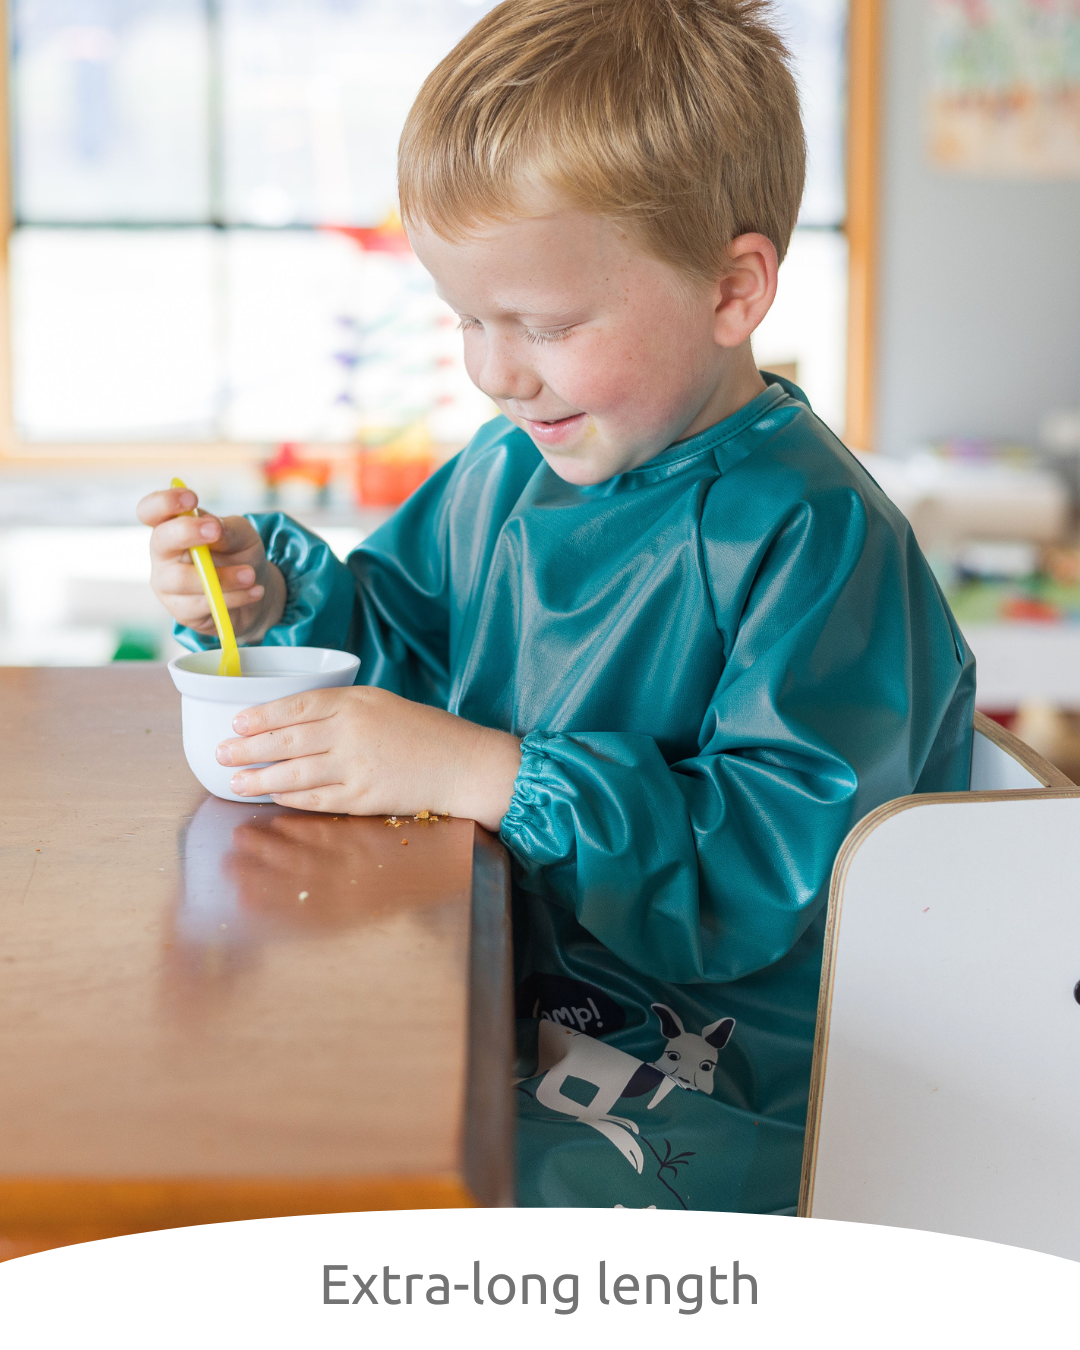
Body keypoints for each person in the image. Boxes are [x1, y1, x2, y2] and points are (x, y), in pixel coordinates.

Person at [138, 0, 974, 1211]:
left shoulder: (814, 535)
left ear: (734, 290)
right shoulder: (514, 467)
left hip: (727, 1088)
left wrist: (492, 775)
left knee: (371, 1216)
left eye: (545, 325)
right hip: (503, 995)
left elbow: (766, 867)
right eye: (469, 320)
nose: (494, 370)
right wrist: (271, 598)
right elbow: (405, 643)